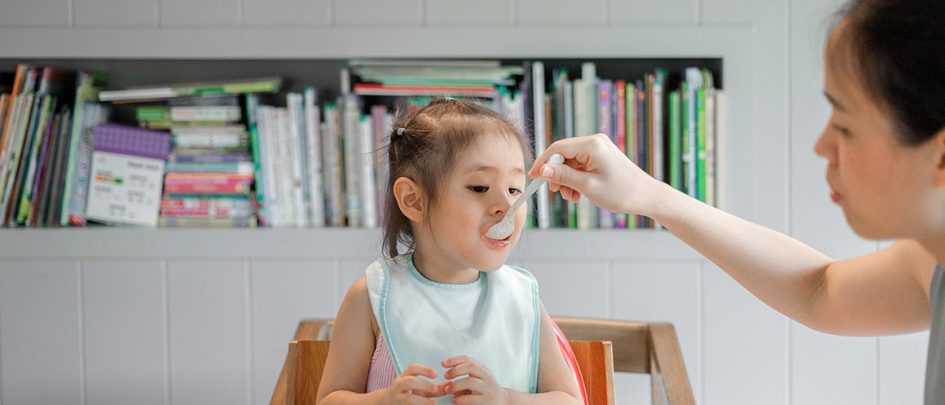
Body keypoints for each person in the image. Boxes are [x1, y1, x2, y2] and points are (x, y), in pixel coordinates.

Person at [529, 0, 944, 403]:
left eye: (845, 126)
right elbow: (819, 289)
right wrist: (649, 195)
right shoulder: (931, 263)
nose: (821, 146)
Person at [317, 99, 582, 405]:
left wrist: (506, 400)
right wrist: (384, 401)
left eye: (514, 189)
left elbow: (569, 400)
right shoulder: (372, 295)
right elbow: (328, 400)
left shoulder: (521, 297)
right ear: (414, 200)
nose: (507, 207)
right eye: (480, 188)